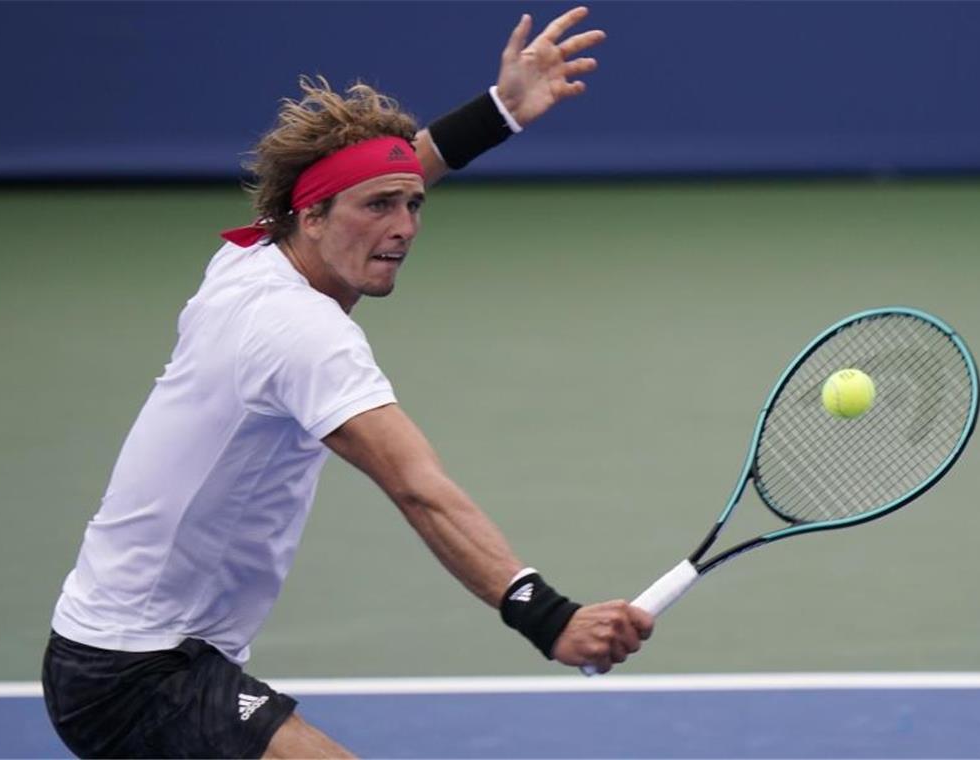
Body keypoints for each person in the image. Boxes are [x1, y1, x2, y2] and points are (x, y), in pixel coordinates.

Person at [42, 7, 653, 758]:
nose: (404, 227)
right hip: (136, 671)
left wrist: (499, 112)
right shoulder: (304, 334)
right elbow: (417, 486)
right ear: (314, 214)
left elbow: (388, 171)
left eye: (413, 206)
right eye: (380, 209)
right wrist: (546, 615)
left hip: (132, 646)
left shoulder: (252, 260)